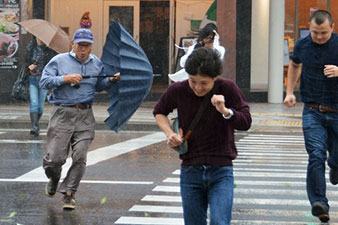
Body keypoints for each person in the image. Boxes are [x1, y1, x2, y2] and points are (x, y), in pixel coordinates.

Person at [153, 47, 251, 225]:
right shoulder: (178, 90)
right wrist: (170, 133)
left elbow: (246, 122)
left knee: (219, 222)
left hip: (221, 171)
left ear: (215, 78)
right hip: (191, 170)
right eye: (193, 81)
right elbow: (159, 112)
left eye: (204, 83)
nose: (198, 87)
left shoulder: (227, 88)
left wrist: (225, 111)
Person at [39, 28, 120, 210]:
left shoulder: (96, 63)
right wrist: (64, 79)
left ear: (91, 47)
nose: (83, 49)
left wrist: (111, 81)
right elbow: (44, 81)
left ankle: (69, 193)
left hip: (85, 115)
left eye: (86, 46)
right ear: (72, 44)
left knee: (80, 157)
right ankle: (53, 177)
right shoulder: (59, 61)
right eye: (80, 45)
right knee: (55, 159)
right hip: (62, 114)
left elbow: (99, 85)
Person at [283, 10, 338, 223]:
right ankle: (319, 203)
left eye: (324, 33)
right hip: (313, 110)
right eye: (315, 32)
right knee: (315, 155)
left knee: (334, 156)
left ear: (332, 28)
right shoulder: (302, 45)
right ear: (310, 28)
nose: (319, 37)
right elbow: (295, 65)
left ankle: (335, 164)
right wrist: (289, 92)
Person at [26, 36, 56, 136]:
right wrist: (29, 66)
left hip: (43, 80)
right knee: (34, 103)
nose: (41, 39)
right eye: (39, 38)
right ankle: (34, 126)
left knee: (41, 106)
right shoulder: (31, 48)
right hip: (32, 79)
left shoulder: (49, 51)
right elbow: (25, 62)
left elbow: (52, 66)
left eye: (42, 38)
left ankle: (36, 124)